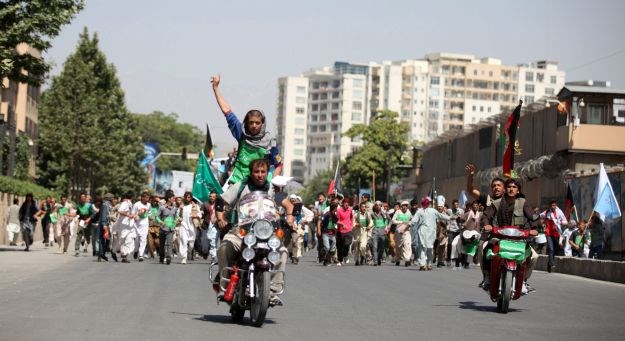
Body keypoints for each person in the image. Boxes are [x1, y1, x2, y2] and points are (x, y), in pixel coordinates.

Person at [216, 158, 292, 305]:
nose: (260, 175)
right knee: (225, 247)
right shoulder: (240, 186)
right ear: (251, 173)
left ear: (267, 173)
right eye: (256, 171)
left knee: (282, 252)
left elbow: (288, 205)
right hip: (241, 231)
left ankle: (273, 292)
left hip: (267, 232)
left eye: (263, 171)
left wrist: (289, 218)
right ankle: (224, 286)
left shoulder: (273, 189)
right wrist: (220, 218)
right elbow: (221, 201)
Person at [210, 75, 282, 185]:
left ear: (262, 124)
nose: (254, 125)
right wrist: (215, 88)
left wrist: (274, 183)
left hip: (260, 185)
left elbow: (279, 165)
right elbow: (227, 110)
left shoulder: (270, 141)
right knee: (226, 201)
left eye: (257, 123)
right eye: (251, 122)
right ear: (246, 123)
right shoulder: (241, 132)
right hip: (237, 182)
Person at [480, 178, 539, 293]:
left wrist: (535, 229)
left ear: (518, 191)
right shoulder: (496, 203)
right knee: (484, 249)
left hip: (519, 239)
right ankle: (487, 277)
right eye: (509, 187)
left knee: (534, 256)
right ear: (505, 189)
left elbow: (533, 217)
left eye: (514, 187)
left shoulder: (523, 203)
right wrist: (487, 225)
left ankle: (523, 281)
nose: (511, 189)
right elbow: (486, 216)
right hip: (499, 237)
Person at [411, 197, 450, 270]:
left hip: (427, 232)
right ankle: (425, 264)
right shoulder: (424, 211)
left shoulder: (424, 211)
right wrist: (451, 218)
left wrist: (407, 225)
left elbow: (413, 221)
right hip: (427, 232)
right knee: (427, 248)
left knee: (425, 248)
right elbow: (442, 216)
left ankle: (426, 264)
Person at [540, 200, 567, 273]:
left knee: (555, 250)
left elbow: (565, 221)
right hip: (548, 233)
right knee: (551, 248)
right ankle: (552, 264)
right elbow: (539, 216)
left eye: (554, 205)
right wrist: (542, 223)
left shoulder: (559, 212)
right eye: (551, 205)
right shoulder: (546, 212)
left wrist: (559, 222)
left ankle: (549, 263)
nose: (553, 207)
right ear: (549, 206)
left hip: (557, 233)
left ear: (556, 205)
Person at [178, 192, 201, 264]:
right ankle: (184, 258)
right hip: (183, 226)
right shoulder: (182, 206)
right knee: (183, 241)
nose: (187, 199)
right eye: (186, 197)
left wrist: (195, 215)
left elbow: (200, 214)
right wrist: (180, 210)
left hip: (192, 227)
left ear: (191, 198)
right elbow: (178, 215)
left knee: (191, 244)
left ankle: (189, 251)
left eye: (189, 197)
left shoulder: (195, 206)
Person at [158, 192, 178, 265]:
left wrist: (177, 220)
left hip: (170, 229)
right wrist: (160, 222)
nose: (174, 199)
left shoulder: (175, 208)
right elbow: (157, 217)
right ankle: (161, 257)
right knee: (162, 245)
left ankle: (169, 257)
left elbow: (176, 217)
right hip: (162, 229)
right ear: (169, 199)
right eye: (173, 198)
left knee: (170, 244)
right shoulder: (162, 207)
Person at [116, 192, 136, 263]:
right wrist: (128, 215)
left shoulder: (130, 204)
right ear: (132, 197)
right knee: (123, 240)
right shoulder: (125, 203)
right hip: (124, 225)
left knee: (129, 240)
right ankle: (120, 252)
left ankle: (125, 256)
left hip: (130, 226)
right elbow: (120, 211)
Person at [200, 191, 219, 261]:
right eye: (210, 196)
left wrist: (216, 219)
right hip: (206, 226)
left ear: (216, 198)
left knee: (213, 242)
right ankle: (205, 252)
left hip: (215, 226)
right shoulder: (205, 204)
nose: (212, 198)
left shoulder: (218, 205)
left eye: (213, 197)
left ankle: (213, 257)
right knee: (204, 243)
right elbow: (201, 211)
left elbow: (222, 213)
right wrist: (201, 213)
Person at [132, 192, 151, 262]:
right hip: (136, 225)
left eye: (148, 198)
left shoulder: (149, 205)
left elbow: (149, 213)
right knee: (136, 240)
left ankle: (141, 255)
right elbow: (132, 214)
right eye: (146, 198)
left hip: (145, 225)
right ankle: (136, 250)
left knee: (143, 240)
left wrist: (150, 216)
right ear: (142, 198)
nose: (147, 199)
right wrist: (138, 214)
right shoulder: (136, 204)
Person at [392, 201, 412, 266]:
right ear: (401, 206)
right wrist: (401, 221)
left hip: (406, 231)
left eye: (406, 205)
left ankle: (407, 259)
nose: (405, 207)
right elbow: (393, 220)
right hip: (399, 231)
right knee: (398, 246)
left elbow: (412, 220)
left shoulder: (409, 212)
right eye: (403, 205)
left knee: (407, 244)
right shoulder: (398, 212)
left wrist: (409, 223)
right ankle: (397, 259)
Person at [318, 202, 339, 266]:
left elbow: (337, 222)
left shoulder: (334, 215)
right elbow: (320, 221)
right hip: (325, 233)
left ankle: (326, 261)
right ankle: (322, 252)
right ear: (335, 208)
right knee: (327, 247)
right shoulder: (327, 214)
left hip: (332, 233)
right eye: (336, 208)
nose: (337, 209)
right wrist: (319, 230)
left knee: (332, 249)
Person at [335, 197, 354, 266]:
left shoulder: (350, 210)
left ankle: (345, 255)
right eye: (346, 204)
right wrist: (342, 224)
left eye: (348, 204)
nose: (347, 205)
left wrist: (351, 225)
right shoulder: (339, 210)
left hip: (348, 230)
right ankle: (340, 260)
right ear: (343, 204)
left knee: (347, 244)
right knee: (340, 246)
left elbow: (352, 218)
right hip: (340, 231)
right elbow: (337, 220)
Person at [370, 201, 390, 266]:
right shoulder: (372, 214)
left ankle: (379, 258)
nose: (378, 206)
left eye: (379, 205)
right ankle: (375, 260)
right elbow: (370, 221)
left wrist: (388, 226)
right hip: (375, 231)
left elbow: (390, 220)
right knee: (375, 246)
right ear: (375, 206)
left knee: (382, 247)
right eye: (376, 205)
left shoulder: (384, 213)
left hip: (382, 231)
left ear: (381, 206)